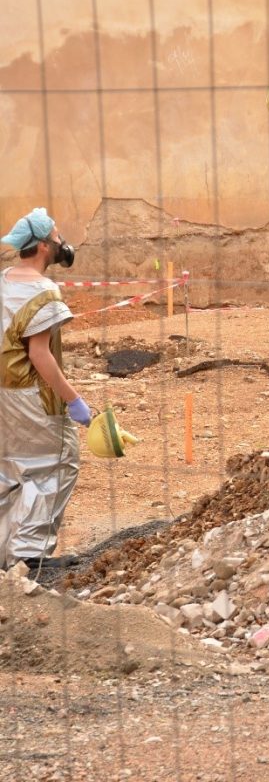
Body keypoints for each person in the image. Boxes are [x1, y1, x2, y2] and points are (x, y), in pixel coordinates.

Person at [0, 207, 91, 570]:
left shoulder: (4, 279)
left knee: (10, 470)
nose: (60, 243)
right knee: (57, 463)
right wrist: (74, 400)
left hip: (2, 394)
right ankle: (29, 556)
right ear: (41, 246)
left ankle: (6, 557)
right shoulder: (44, 292)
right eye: (55, 236)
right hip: (32, 395)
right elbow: (39, 353)